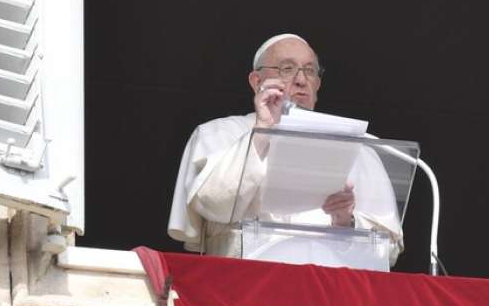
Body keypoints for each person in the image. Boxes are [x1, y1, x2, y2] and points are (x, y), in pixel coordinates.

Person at [168, 34, 404, 265]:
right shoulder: (217, 134)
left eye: (310, 70)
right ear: (256, 81)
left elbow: (389, 251)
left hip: (333, 296)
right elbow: (213, 204)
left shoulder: (361, 148)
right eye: (287, 69)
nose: (301, 80)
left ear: (318, 85)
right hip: (246, 291)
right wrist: (262, 132)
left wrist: (347, 222)